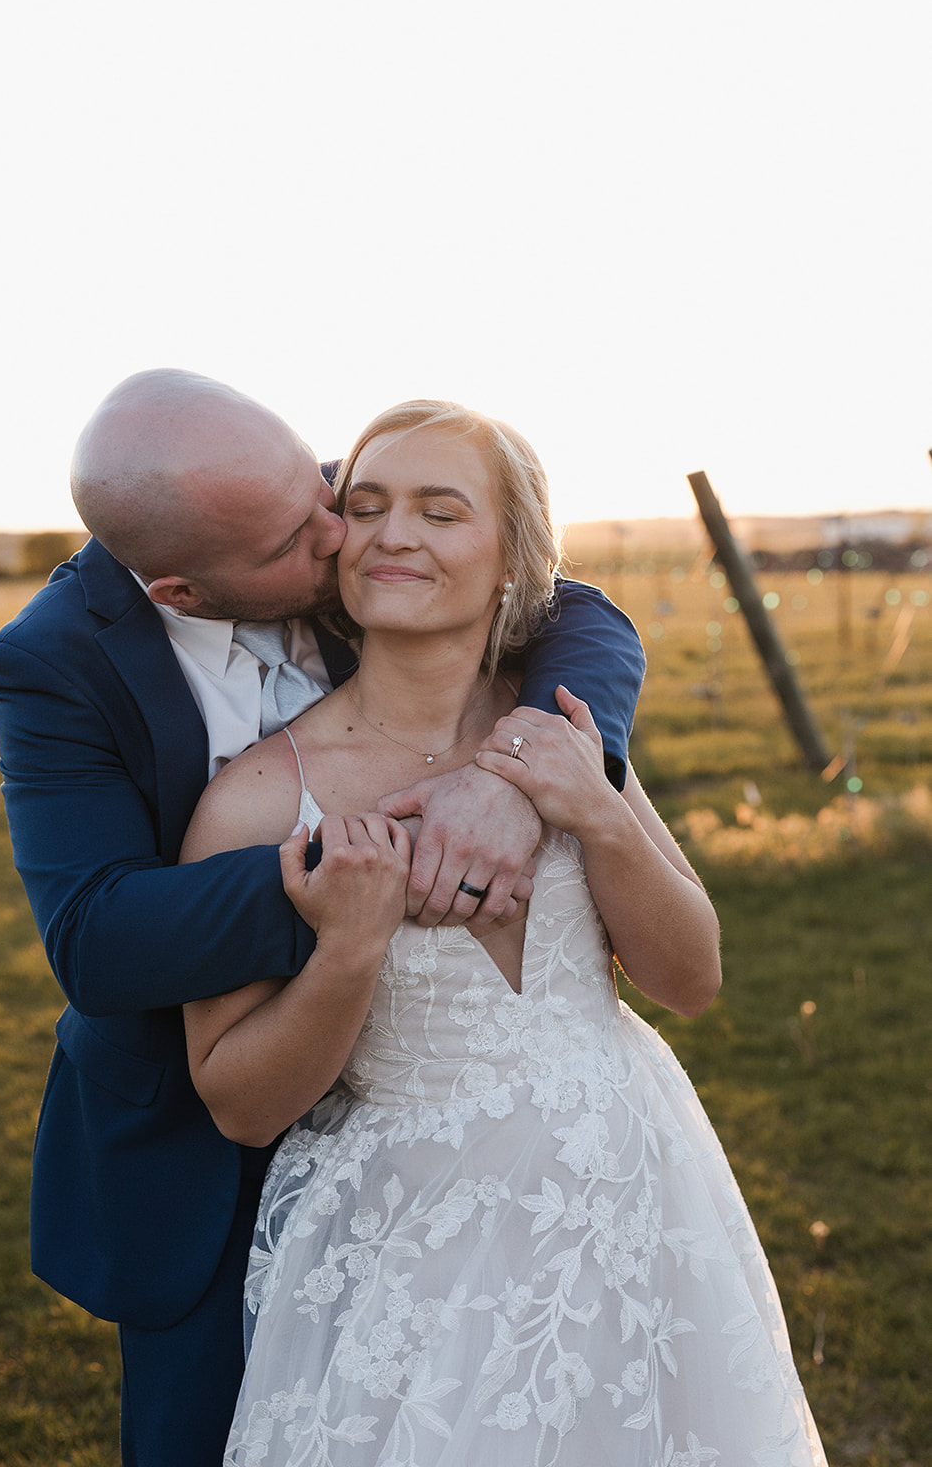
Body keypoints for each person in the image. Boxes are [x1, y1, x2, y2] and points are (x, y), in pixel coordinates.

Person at [0, 369, 645, 1467]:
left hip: (435, 1132)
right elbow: (96, 936)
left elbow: (578, 611)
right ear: (181, 591)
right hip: (203, 1148)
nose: (345, 535)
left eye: (325, 486)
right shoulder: (53, 662)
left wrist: (516, 777)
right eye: (305, 533)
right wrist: (345, 866)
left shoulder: (324, 517)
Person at [181, 399, 828, 1466]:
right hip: (412, 1236)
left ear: (511, 563)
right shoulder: (259, 801)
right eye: (369, 506)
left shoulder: (566, 730)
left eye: (440, 511)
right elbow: (239, 1103)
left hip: (632, 1188)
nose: (394, 534)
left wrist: (596, 810)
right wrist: (346, 948)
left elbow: (689, 976)